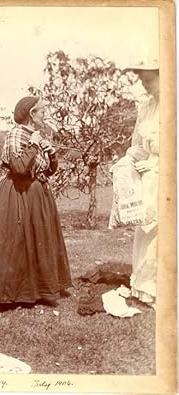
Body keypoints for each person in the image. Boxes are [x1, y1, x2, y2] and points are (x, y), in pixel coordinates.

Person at [0, 96, 72, 308]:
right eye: (43, 111)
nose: (45, 114)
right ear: (32, 114)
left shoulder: (34, 136)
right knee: (16, 241)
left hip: (37, 193)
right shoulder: (16, 134)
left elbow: (47, 170)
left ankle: (38, 290)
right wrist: (34, 145)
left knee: (39, 239)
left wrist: (52, 154)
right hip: (18, 194)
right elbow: (19, 167)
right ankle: (12, 293)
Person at [124, 60, 159, 308]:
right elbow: (137, 144)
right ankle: (143, 287)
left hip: (168, 179)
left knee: (163, 233)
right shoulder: (146, 106)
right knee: (145, 230)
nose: (144, 85)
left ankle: (161, 288)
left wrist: (159, 164)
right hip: (147, 180)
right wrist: (128, 160)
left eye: (148, 79)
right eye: (142, 80)